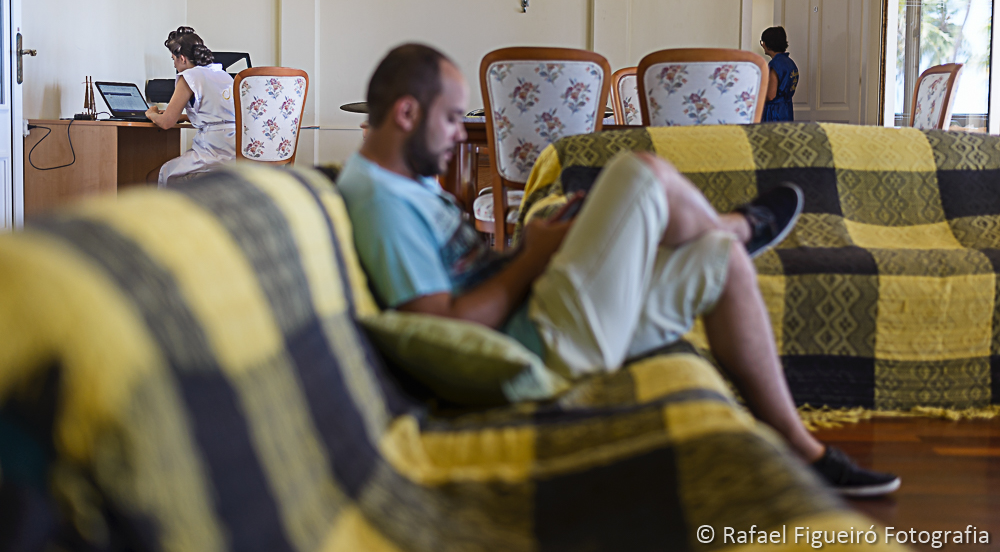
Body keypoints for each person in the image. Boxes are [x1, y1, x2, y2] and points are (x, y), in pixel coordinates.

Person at [337, 43, 900, 497]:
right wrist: (533, 258)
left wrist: (531, 247)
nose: (461, 133)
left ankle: (807, 452)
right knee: (639, 172)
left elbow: (467, 279)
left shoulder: (402, 185)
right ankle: (736, 225)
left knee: (720, 264)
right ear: (407, 113)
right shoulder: (380, 203)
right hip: (545, 340)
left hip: (545, 316)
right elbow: (447, 326)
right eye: (453, 118)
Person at [146, 26, 236, 187]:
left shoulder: (189, 75)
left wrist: (152, 113)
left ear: (182, 58)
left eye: (173, 59)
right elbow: (217, 116)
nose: (174, 65)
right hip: (235, 151)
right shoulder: (223, 75)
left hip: (213, 150)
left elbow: (166, 123)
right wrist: (183, 116)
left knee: (154, 177)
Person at [760, 26, 799, 122]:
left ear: (768, 43)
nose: (762, 45)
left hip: (774, 112)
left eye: (762, 42)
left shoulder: (775, 64)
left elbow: (770, 95)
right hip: (786, 109)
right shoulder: (790, 63)